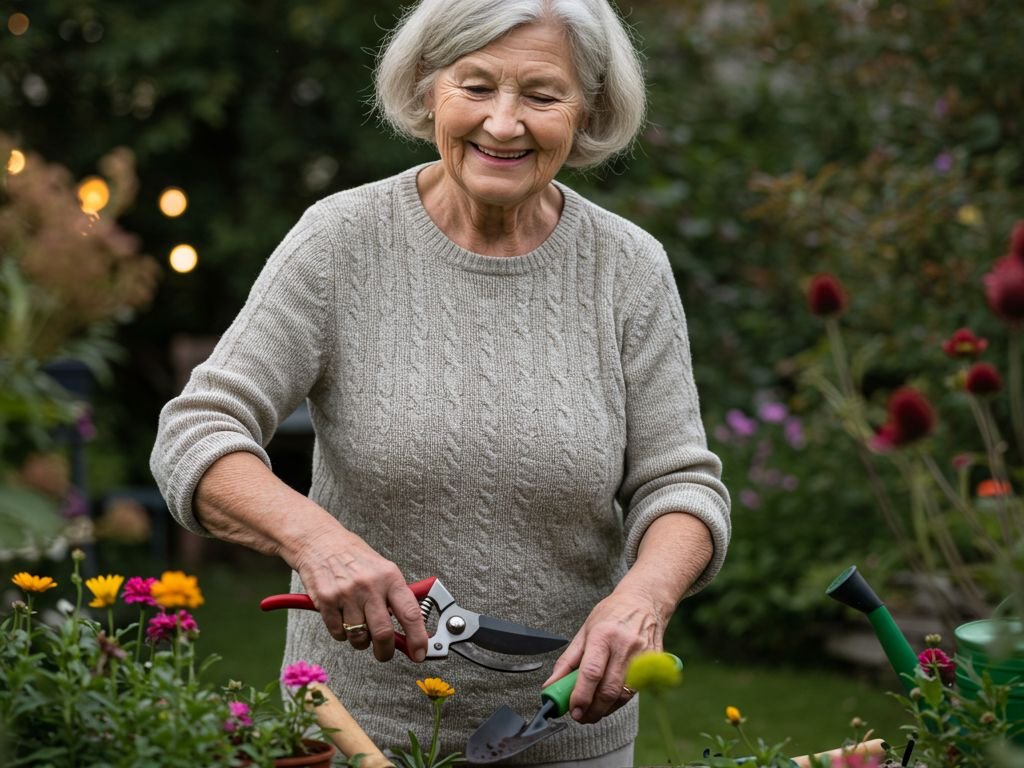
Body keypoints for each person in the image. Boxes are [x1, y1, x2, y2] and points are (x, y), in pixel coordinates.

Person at [149, 0, 731, 765]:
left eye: (543, 95)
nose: (503, 123)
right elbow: (197, 431)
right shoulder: (341, 241)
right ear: (428, 90)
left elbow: (681, 485)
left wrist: (643, 598)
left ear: (587, 112)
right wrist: (317, 541)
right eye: (476, 86)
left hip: (570, 734)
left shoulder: (627, 268)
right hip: (356, 737)